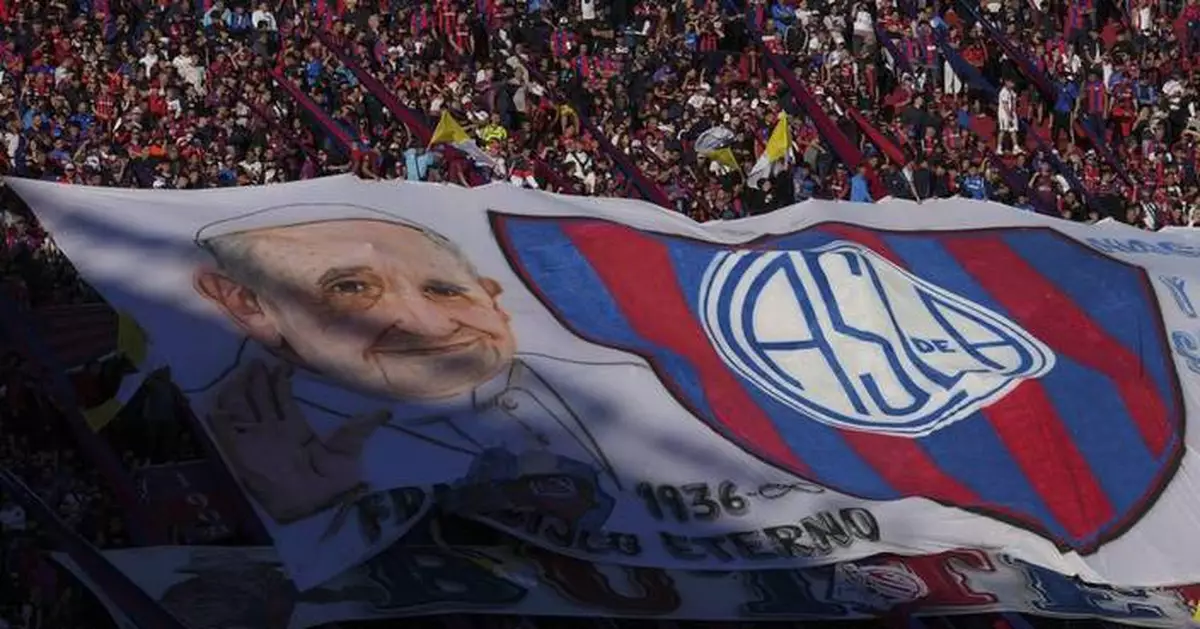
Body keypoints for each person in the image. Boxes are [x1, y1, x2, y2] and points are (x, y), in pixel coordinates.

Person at [190, 203, 628, 585]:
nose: (429, 324)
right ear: (248, 305)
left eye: (445, 290)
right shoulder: (220, 430)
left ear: (492, 296)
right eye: (350, 288)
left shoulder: (616, 381)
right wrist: (310, 516)